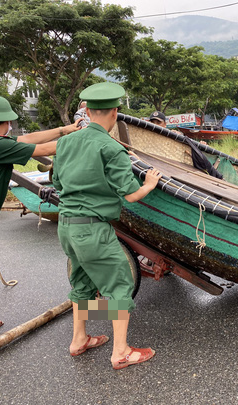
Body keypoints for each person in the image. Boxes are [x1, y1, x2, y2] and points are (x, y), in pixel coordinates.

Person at [52, 82, 162, 370]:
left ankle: (79, 339)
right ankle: (121, 352)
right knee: (119, 287)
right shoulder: (111, 148)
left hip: (67, 227)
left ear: (87, 111)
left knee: (82, 283)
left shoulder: (65, 142)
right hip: (92, 230)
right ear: (115, 113)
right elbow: (130, 194)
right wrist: (149, 183)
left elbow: (57, 183)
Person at [0, 95, 82, 348]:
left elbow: (26, 139)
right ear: (4, 122)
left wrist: (65, 130)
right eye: (10, 122)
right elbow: (43, 149)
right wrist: (85, 137)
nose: (12, 127)